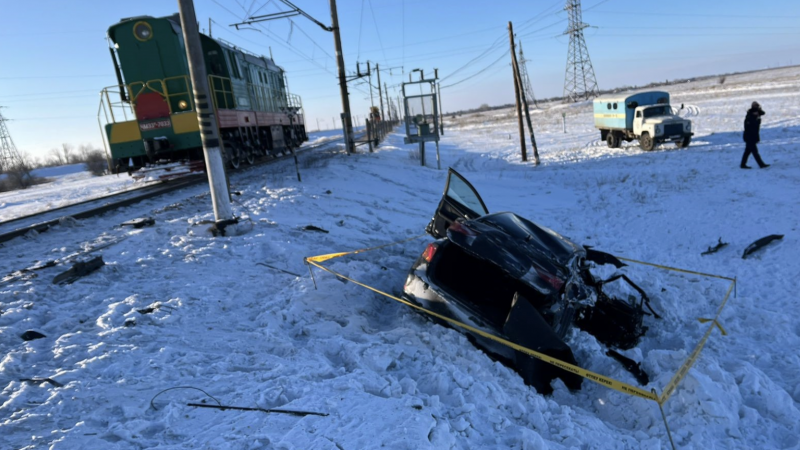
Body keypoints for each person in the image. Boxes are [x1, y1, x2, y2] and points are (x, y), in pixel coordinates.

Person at [741, 101, 769, 169]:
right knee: (755, 152)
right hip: (749, 137)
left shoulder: (756, 115)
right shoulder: (749, 117)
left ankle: (743, 164)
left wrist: (758, 110)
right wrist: (755, 117)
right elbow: (749, 127)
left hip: (752, 136)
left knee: (747, 152)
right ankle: (761, 164)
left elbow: (763, 113)